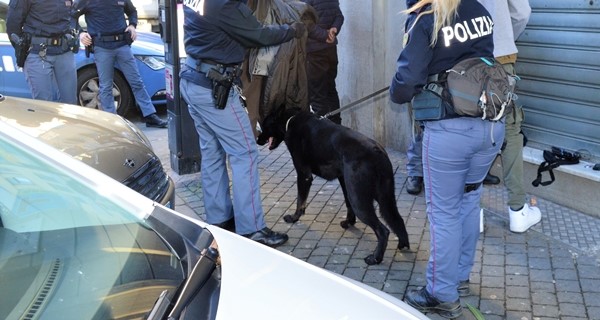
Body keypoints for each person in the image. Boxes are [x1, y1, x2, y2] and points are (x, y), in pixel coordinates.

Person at [390, 0, 502, 318]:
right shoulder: (479, 10)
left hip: (449, 130)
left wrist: (398, 89)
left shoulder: (427, 18)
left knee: (443, 214)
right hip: (490, 126)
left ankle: (441, 293)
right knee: (469, 200)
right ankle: (459, 278)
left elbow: (406, 82)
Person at [179, 0, 305, 247]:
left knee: (212, 152)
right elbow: (259, 34)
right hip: (214, 89)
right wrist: (292, 30)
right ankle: (252, 229)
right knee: (245, 153)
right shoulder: (224, 4)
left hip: (194, 80)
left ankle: (220, 220)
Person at [478, 0, 541, 233]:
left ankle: (473, 213)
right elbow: (521, 13)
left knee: (470, 127)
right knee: (510, 128)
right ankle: (518, 211)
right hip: (500, 58)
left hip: (461, 60)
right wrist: (504, 39)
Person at [71, 0, 167, 128]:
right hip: (102, 47)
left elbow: (132, 11)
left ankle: (149, 115)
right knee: (106, 86)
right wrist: (81, 33)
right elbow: (71, 16)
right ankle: (112, 121)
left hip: (122, 46)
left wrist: (132, 25)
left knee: (136, 82)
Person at [6, 0, 78, 104]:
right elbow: (13, 27)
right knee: (43, 106)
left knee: (71, 104)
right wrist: (25, 47)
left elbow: (71, 17)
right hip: (37, 54)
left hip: (64, 52)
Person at [301, 0, 344, 124]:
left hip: (315, 52)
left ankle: (323, 132)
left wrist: (325, 35)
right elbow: (339, 16)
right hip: (330, 50)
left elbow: (306, 23)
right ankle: (337, 128)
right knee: (330, 90)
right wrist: (333, 30)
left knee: (318, 95)